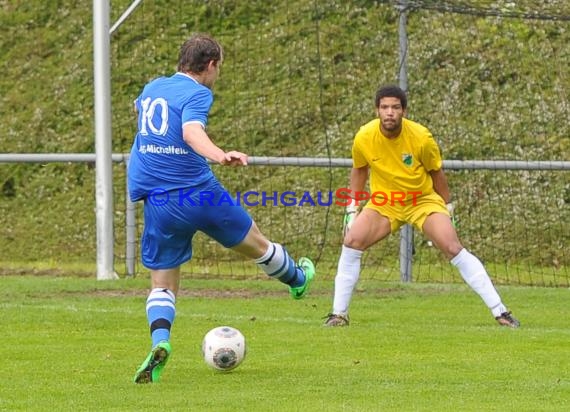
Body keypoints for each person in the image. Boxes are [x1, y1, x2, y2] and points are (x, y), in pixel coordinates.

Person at [127, 33, 316, 384]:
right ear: (210, 65)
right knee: (258, 246)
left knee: (163, 284)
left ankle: (161, 341)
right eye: (219, 67)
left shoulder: (154, 86)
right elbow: (191, 132)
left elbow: (139, 109)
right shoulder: (199, 92)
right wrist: (220, 155)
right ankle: (298, 279)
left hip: (160, 202)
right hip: (199, 195)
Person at [324, 84, 519, 329]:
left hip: (422, 201)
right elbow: (359, 171)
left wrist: (448, 209)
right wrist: (351, 209)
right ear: (377, 110)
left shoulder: (421, 137)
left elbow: (437, 174)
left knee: (452, 246)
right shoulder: (364, 136)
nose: (390, 112)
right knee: (352, 242)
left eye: (395, 107)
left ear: (404, 111)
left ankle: (500, 311)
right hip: (385, 203)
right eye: (384, 107)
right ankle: (338, 315)